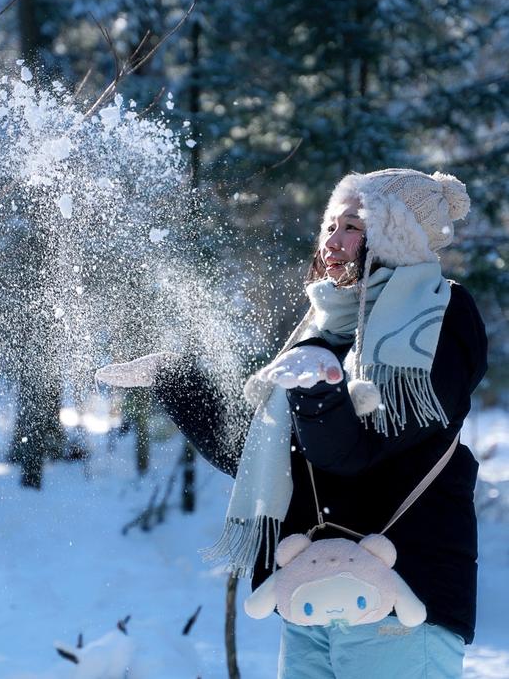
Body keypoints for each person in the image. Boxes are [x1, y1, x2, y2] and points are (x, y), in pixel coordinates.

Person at [96, 168, 487, 679]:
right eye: (330, 225)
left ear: (398, 232)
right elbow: (260, 458)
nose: (333, 241)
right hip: (312, 598)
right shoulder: (322, 329)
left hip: (403, 598)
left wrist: (318, 391)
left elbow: (357, 454)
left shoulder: (439, 317)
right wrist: (178, 383)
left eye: (354, 226)